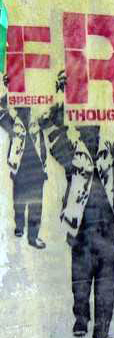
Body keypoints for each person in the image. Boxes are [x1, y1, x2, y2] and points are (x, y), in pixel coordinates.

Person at [41, 72, 114, 338]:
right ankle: (81, 318)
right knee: (80, 281)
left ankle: (102, 335)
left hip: (108, 232)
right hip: (81, 231)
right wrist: (60, 95)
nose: (92, 131)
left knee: (106, 286)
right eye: (87, 128)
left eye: (95, 128)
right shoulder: (72, 153)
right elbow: (53, 133)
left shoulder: (108, 151)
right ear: (80, 129)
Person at [0, 76, 50, 248]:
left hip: (37, 169)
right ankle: (19, 226)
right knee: (19, 201)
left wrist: (60, 90)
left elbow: (53, 115)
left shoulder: (36, 119)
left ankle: (33, 237)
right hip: (20, 168)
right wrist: (6, 90)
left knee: (36, 204)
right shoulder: (12, 121)